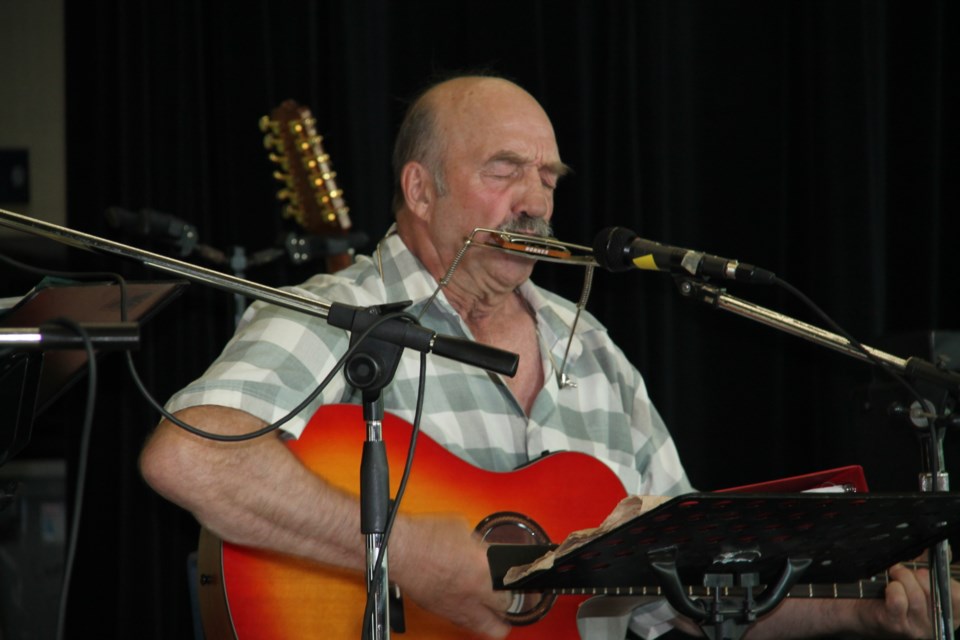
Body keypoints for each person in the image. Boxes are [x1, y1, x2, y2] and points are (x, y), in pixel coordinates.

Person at [139, 75, 958, 639]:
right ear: (421, 190)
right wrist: (410, 552)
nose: (535, 201)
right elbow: (189, 456)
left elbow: (704, 586)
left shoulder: (587, 345)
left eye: (549, 177)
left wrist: (872, 610)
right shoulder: (335, 316)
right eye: (505, 172)